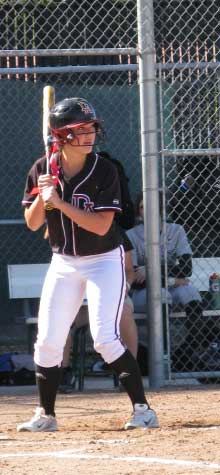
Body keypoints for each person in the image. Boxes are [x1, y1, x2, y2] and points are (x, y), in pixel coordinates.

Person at [17, 97, 159, 432]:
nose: (90, 133)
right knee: (48, 339)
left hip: (103, 261)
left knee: (104, 338)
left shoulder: (105, 170)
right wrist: (43, 196)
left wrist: (60, 203)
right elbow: (33, 223)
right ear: (62, 136)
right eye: (80, 129)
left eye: (91, 127)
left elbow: (100, 226)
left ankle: (143, 410)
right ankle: (46, 415)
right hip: (64, 261)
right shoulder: (42, 168)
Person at [127, 191, 203, 371]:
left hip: (171, 284)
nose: (147, 211)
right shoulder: (131, 235)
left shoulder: (176, 230)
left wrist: (152, 271)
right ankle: (162, 358)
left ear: (161, 209)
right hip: (141, 292)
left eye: (151, 206)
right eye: (142, 207)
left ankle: (193, 350)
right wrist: (173, 279)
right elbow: (138, 279)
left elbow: (186, 269)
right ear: (138, 212)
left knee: (190, 292)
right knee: (161, 294)